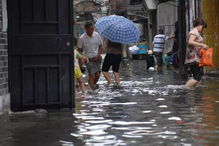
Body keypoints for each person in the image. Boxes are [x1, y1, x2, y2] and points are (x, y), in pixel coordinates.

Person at [78, 22, 103, 90]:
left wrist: (98, 55)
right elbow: (79, 50)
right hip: (88, 59)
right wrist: (82, 59)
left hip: (97, 58)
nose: (92, 30)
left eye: (93, 29)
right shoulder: (82, 38)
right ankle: (92, 90)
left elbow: (100, 46)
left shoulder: (97, 35)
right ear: (86, 29)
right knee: (92, 75)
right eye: (90, 29)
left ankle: (91, 87)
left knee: (97, 75)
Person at [184, 18, 208, 88]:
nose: (202, 29)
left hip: (196, 58)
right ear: (200, 25)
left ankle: (195, 90)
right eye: (203, 27)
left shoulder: (196, 32)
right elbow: (190, 41)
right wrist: (202, 45)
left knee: (198, 76)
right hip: (193, 58)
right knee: (197, 77)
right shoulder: (194, 32)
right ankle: (184, 88)